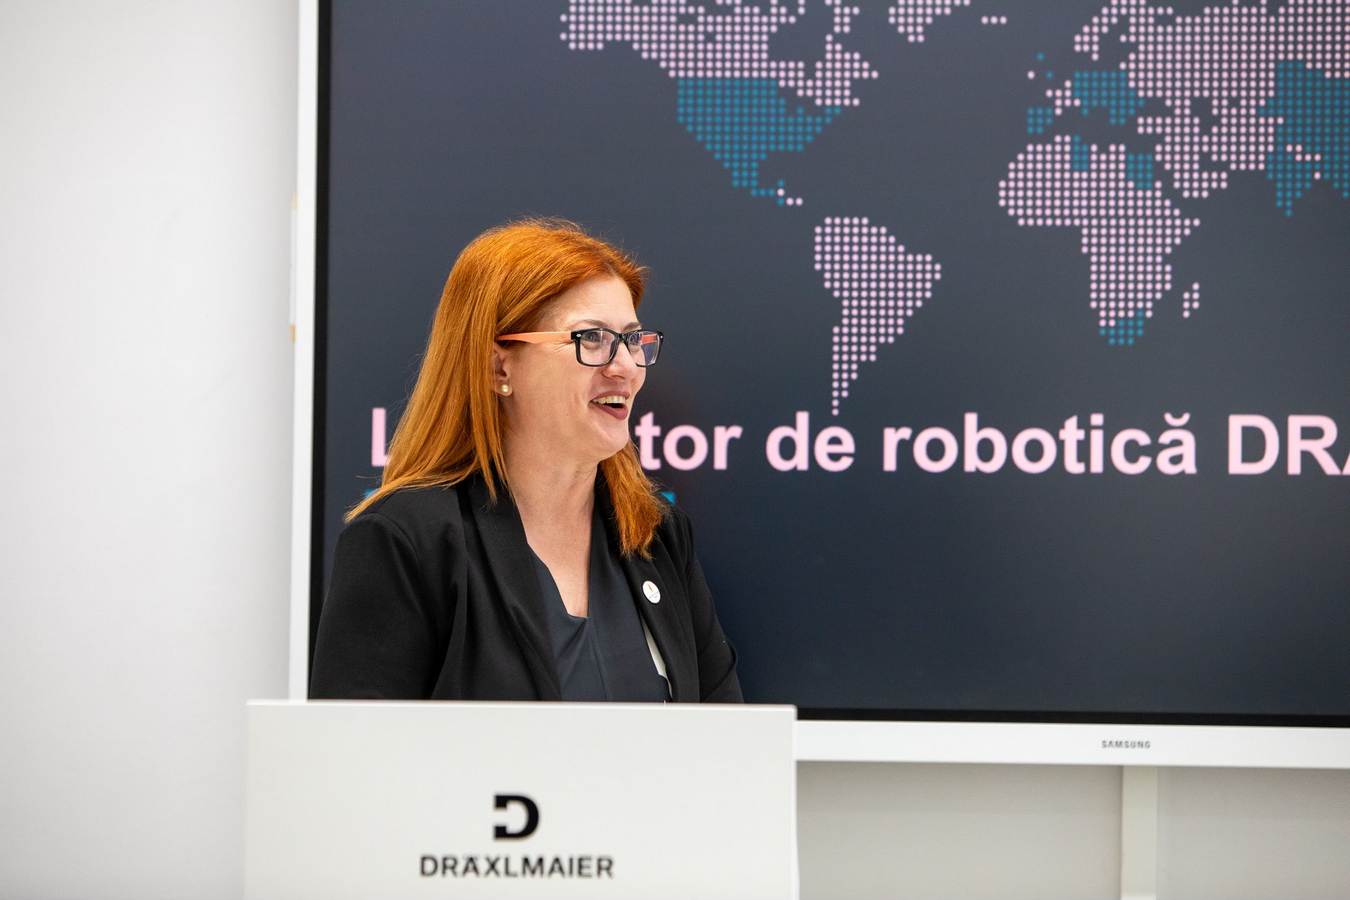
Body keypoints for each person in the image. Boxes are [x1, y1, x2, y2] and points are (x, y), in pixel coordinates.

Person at [309, 218, 742, 702]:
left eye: (632, 340)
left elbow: (725, 736)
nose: (626, 367)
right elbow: (354, 747)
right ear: (499, 366)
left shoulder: (657, 536)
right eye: (591, 339)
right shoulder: (406, 541)